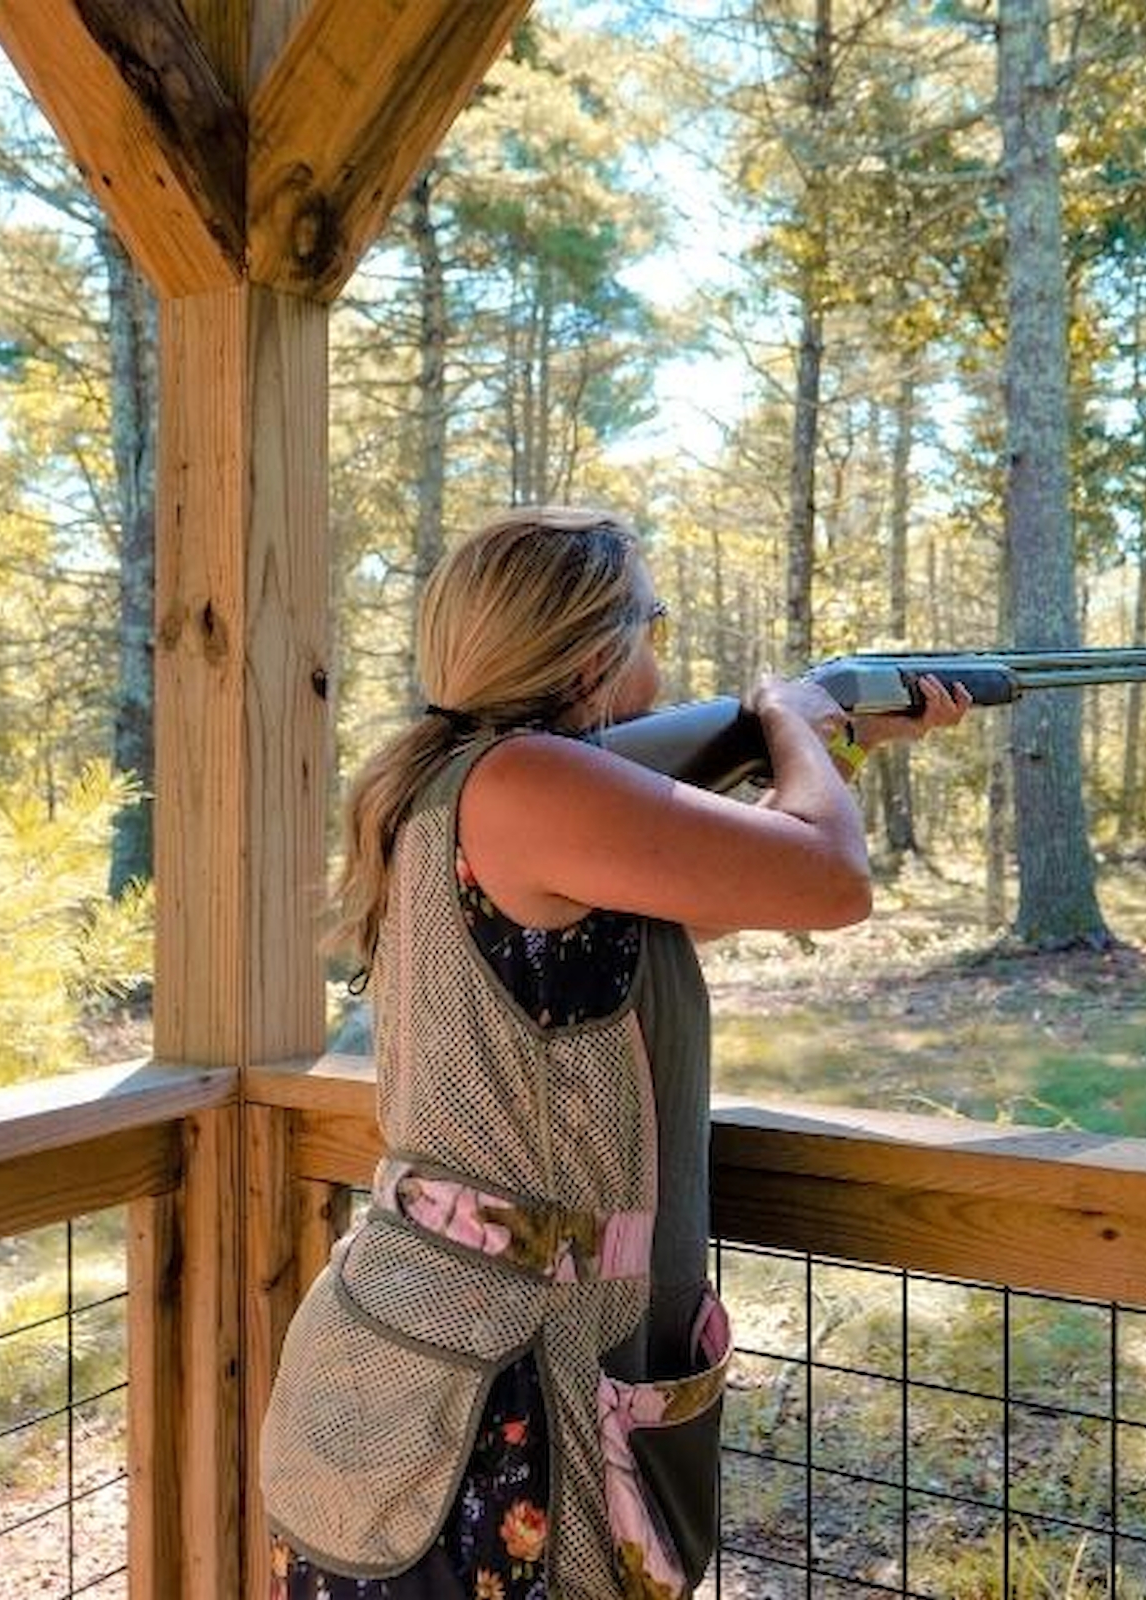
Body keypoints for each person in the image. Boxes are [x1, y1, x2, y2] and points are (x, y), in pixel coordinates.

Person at [260, 507, 972, 1600]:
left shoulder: (473, 782)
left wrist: (827, 747)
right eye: (652, 623)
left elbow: (707, 902)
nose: (661, 652)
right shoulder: (526, 781)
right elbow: (830, 879)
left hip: (450, 1363)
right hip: (490, 1401)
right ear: (593, 651)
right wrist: (785, 717)